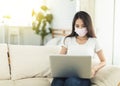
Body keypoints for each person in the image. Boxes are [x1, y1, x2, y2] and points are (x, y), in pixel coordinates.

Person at [51, 11, 106, 86]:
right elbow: (59, 59)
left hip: (83, 78)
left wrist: (94, 69)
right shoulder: (68, 40)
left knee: (71, 81)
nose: (80, 28)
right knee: (57, 81)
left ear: (88, 26)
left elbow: (103, 61)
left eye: (83, 26)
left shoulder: (94, 41)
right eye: (77, 26)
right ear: (74, 26)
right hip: (67, 75)